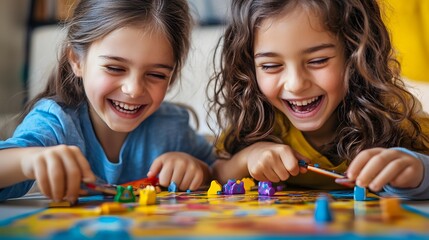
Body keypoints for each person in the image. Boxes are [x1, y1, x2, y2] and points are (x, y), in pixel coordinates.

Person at [209, 0, 429, 199]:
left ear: (356, 56)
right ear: (249, 69)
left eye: (318, 61)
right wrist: (248, 158)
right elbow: (216, 172)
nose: (295, 84)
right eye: (270, 66)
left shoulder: (396, 119)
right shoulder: (258, 126)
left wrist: (417, 172)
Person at [0, 0, 215, 202]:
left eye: (157, 75)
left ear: (172, 76)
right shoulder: (55, 122)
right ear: (76, 60)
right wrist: (28, 161)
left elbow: (219, 169)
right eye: (115, 68)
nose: (133, 90)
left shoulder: (171, 128)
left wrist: (198, 169)